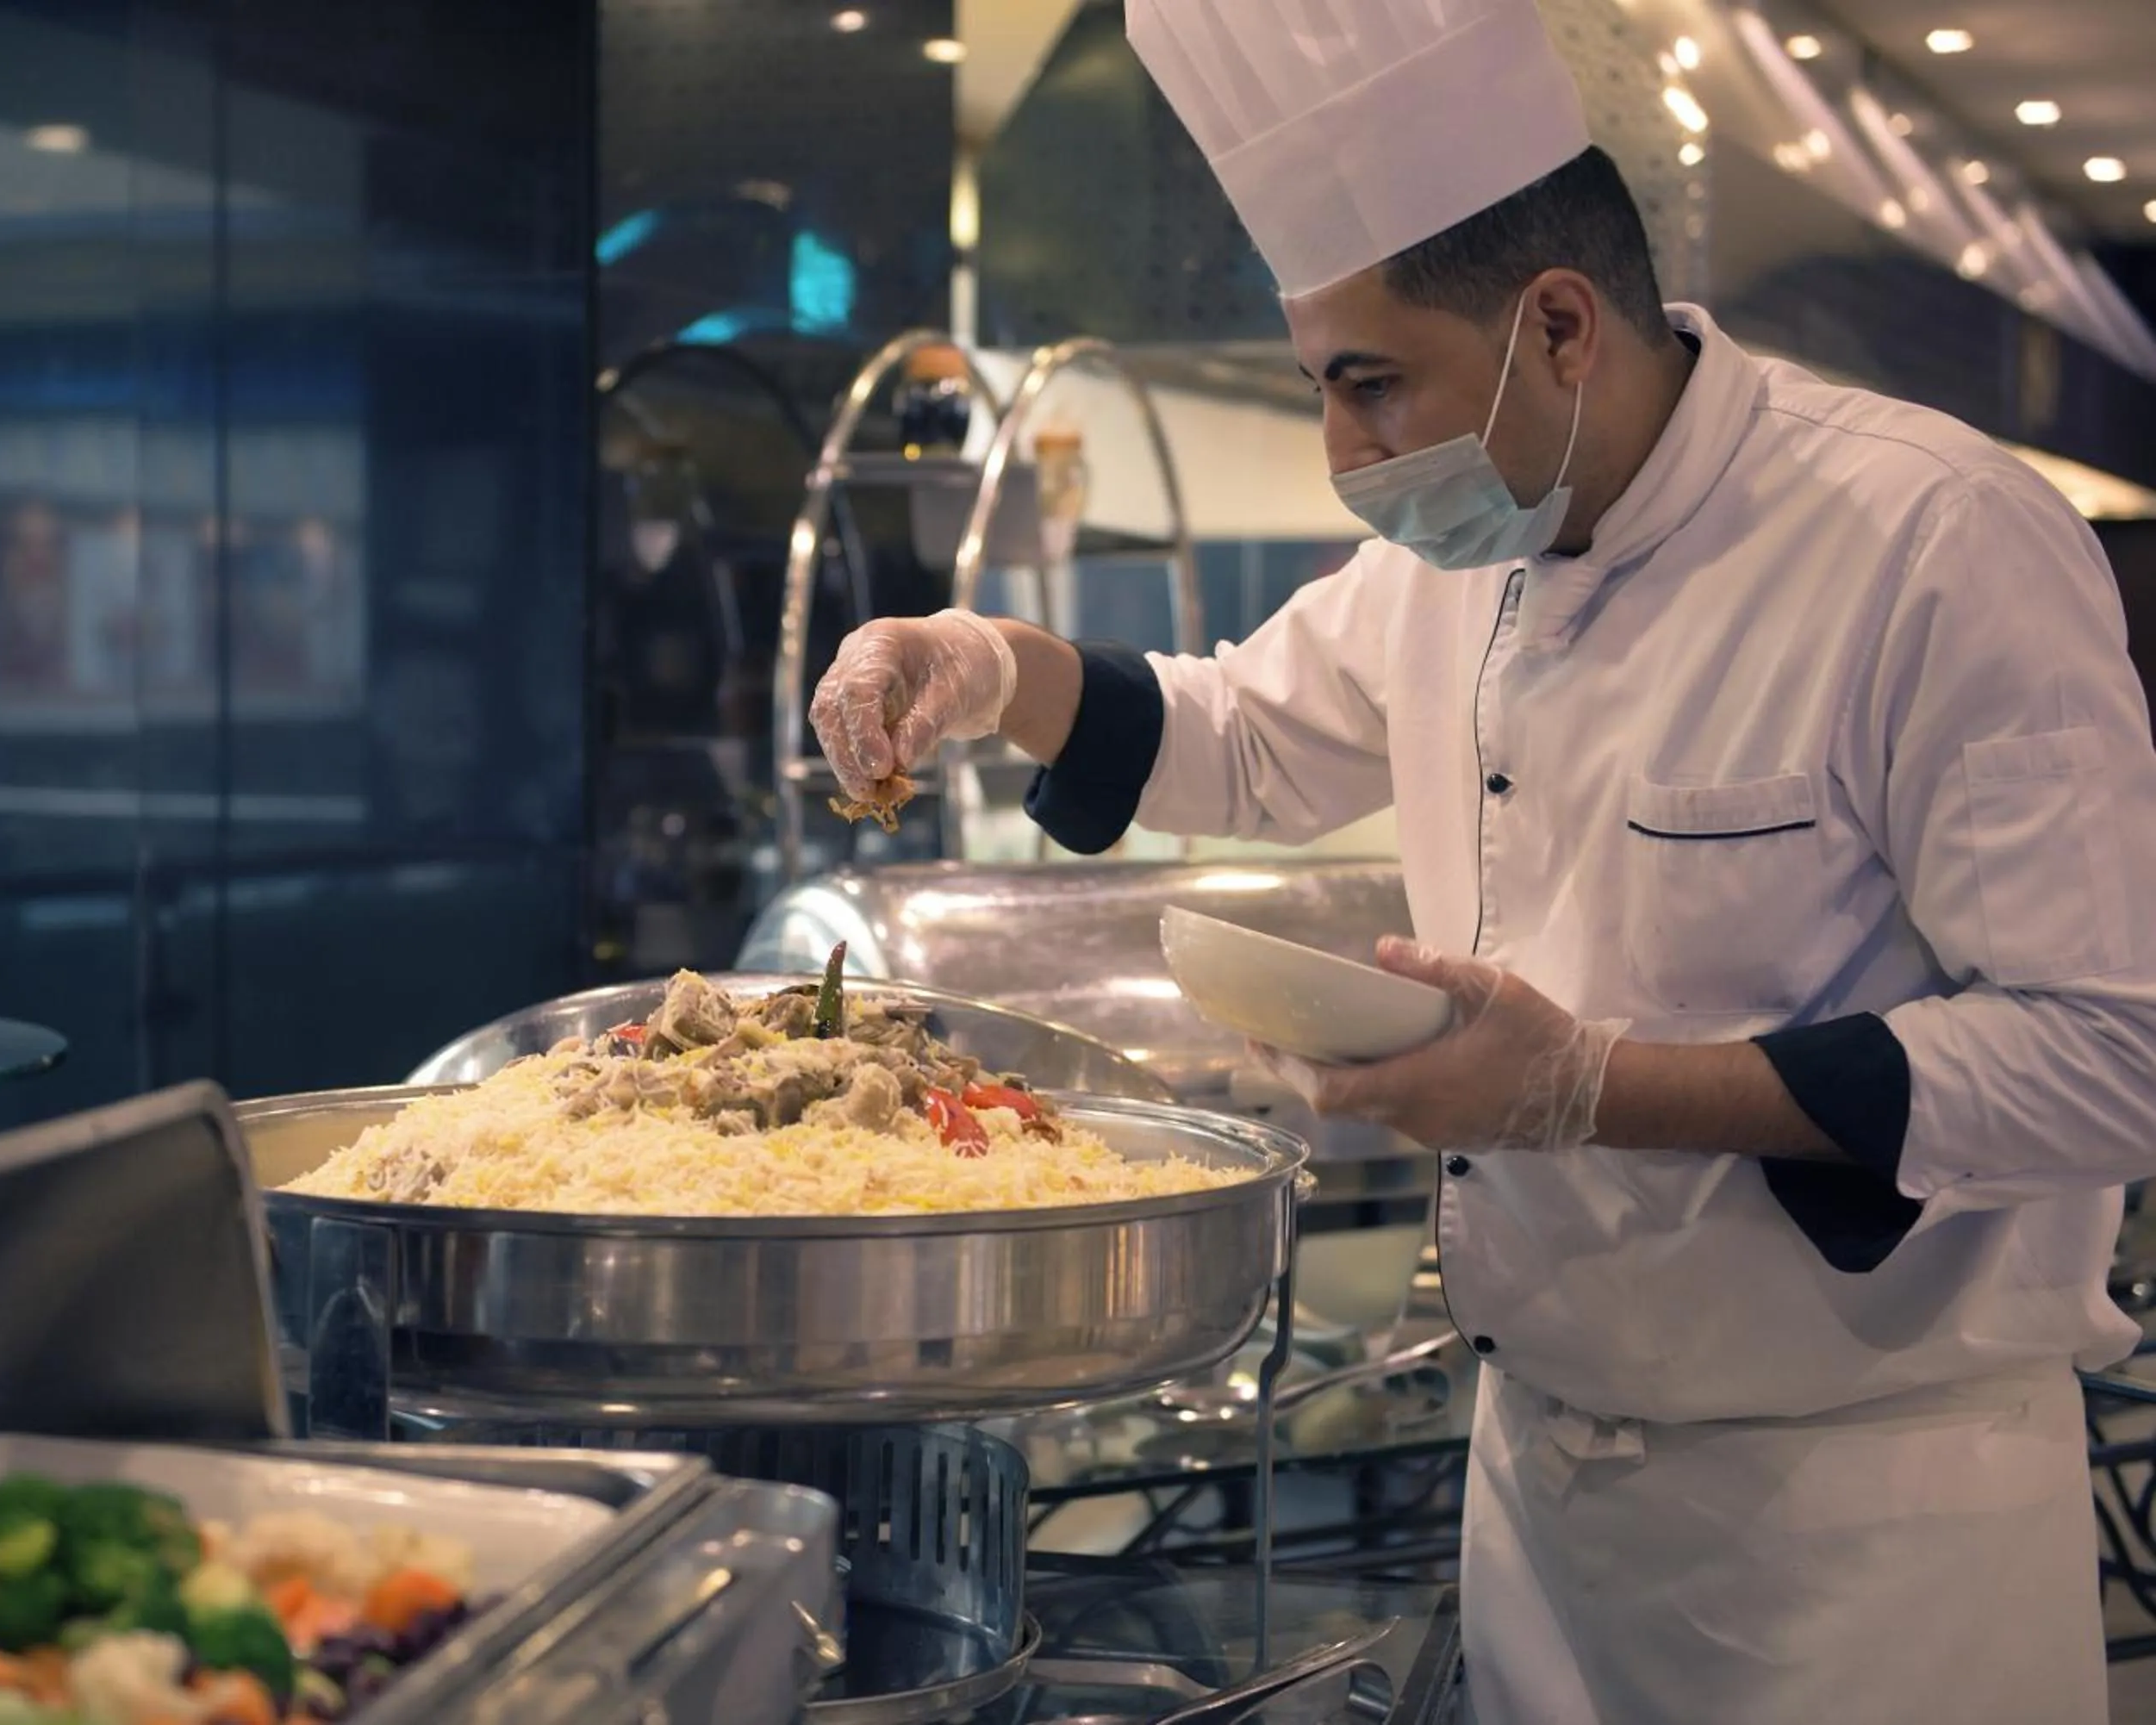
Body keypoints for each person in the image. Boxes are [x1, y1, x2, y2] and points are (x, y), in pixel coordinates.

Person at [807, 3, 2156, 1720]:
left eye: (1375, 385)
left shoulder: (1931, 542)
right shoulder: (1468, 549)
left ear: (1562, 325)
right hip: (1538, 1496)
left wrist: (1596, 1087)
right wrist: (986, 663)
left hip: (1866, 1527)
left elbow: (2113, 1049)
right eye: (1322, 389)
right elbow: (1240, 732)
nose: (1347, 453)